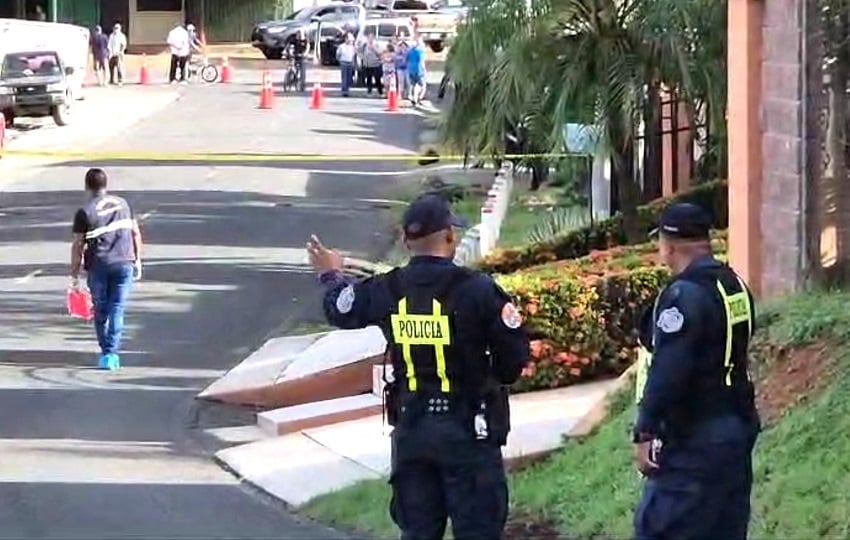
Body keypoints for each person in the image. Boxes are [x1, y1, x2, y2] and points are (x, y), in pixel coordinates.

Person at [307, 193, 529, 540]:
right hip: (469, 432)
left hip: (412, 431)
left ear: (405, 241)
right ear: (451, 237)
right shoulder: (479, 291)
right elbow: (513, 360)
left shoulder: (388, 289)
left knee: (418, 532)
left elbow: (341, 307)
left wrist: (330, 274)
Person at [633, 202, 761, 540]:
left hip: (695, 438)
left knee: (662, 529)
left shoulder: (682, 296)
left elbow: (668, 371)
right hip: (736, 428)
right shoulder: (733, 286)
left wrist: (645, 431)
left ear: (669, 245)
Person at [70, 168, 143, 371]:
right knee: (117, 308)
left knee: (101, 310)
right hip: (124, 263)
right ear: (105, 184)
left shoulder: (85, 212)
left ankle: (106, 351)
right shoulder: (124, 204)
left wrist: (74, 274)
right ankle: (112, 353)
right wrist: (137, 260)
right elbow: (135, 233)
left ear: (87, 187)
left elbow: (77, 245)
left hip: (99, 266)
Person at [405, 35, 426, 105]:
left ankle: (413, 97)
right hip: (419, 70)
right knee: (422, 85)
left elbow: (406, 59)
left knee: (413, 85)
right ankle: (418, 98)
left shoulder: (410, 51)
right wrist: (424, 70)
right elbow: (421, 61)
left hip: (411, 70)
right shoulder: (420, 51)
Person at [336, 33, 356, 97]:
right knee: (344, 78)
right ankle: (344, 91)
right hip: (344, 63)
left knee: (349, 78)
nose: (350, 41)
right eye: (348, 39)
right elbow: (338, 55)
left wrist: (353, 63)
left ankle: (347, 89)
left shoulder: (352, 47)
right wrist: (340, 61)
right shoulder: (341, 46)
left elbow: (353, 56)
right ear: (345, 39)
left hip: (350, 63)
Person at [291, 28, 309, 93]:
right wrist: (288, 51)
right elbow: (290, 46)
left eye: (301, 34)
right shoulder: (294, 40)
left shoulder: (305, 41)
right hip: (295, 56)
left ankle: (302, 86)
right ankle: (292, 78)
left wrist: (305, 53)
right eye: (298, 34)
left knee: (303, 72)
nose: (300, 35)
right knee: (292, 67)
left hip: (302, 57)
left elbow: (307, 48)